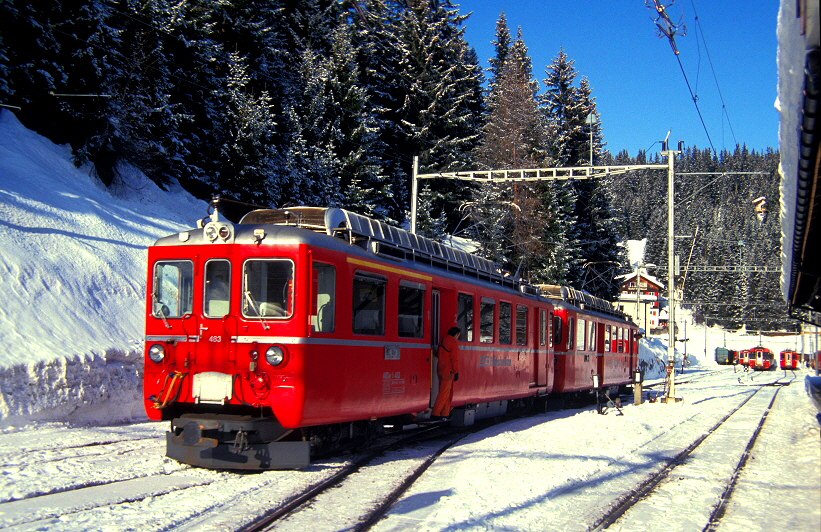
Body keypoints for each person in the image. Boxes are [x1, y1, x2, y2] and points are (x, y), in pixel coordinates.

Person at [431, 326, 461, 419]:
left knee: (446, 392)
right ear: (456, 334)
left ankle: (445, 413)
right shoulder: (453, 342)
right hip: (448, 371)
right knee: (444, 392)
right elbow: (454, 359)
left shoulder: (443, 340)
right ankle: (436, 413)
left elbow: (438, 354)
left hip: (440, 369)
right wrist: (456, 371)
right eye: (458, 335)